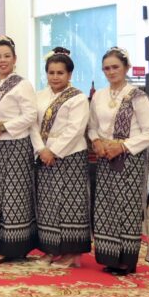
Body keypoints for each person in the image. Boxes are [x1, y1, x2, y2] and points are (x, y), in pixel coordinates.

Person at [89, 47, 149, 276]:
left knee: (126, 207)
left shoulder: (137, 96)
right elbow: (92, 126)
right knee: (106, 208)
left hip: (129, 160)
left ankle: (126, 260)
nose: (111, 72)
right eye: (106, 68)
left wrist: (122, 146)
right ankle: (109, 256)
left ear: (126, 67)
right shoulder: (99, 95)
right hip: (105, 157)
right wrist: (96, 142)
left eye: (115, 67)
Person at [0, 35, 38, 264]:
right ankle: (1, 243)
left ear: (15, 59)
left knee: (14, 196)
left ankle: (12, 246)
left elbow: (30, 115)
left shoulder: (22, 84)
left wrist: (2, 128)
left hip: (16, 145)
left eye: (6, 56)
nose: (2, 60)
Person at [31, 47, 91, 269]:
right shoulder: (39, 95)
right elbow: (32, 125)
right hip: (44, 156)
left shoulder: (78, 97)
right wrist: (41, 149)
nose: (55, 77)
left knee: (69, 205)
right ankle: (51, 248)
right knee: (47, 205)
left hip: (69, 156)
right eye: (51, 72)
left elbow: (75, 129)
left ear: (69, 74)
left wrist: (53, 151)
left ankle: (71, 253)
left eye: (60, 73)